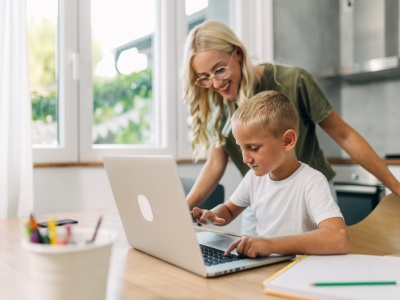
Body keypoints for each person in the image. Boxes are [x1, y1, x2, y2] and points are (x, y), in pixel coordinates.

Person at [181, 20, 400, 236]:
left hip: (308, 199)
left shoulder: (293, 81)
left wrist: (395, 186)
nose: (216, 84)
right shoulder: (217, 102)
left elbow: (344, 135)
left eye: (219, 70)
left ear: (238, 53)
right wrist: (181, 211)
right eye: (205, 77)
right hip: (260, 203)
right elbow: (215, 163)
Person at [191, 91, 350, 257]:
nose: (245, 158)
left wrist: (270, 245)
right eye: (241, 148)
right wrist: (213, 215)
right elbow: (229, 211)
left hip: (299, 268)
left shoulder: (311, 181)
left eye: (253, 148)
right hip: (266, 265)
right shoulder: (253, 178)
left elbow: (339, 238)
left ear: (287, 141)